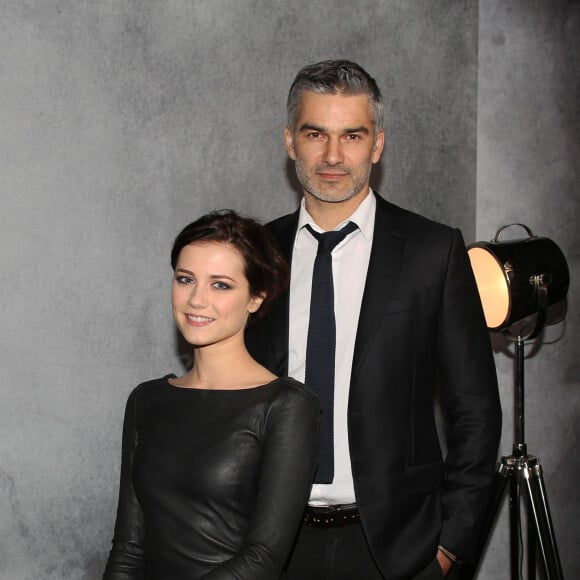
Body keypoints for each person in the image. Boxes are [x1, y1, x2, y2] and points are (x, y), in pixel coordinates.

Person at [245, 60, 502, 580]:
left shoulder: (434, 251)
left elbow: (474, 408)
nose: (333, 155)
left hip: (398, 550)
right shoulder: (254, 254)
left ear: (377, 145)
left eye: (352, 135)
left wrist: (451, 544)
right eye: (315, 133)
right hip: (271, 547)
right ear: (290, 141)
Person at [103, 210, 320, 580]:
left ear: (256, 298)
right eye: (186, 279)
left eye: (220, 285)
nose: (196, 300)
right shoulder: (146, 400)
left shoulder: (286, 406)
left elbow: (263, 559)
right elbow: (128, 546)